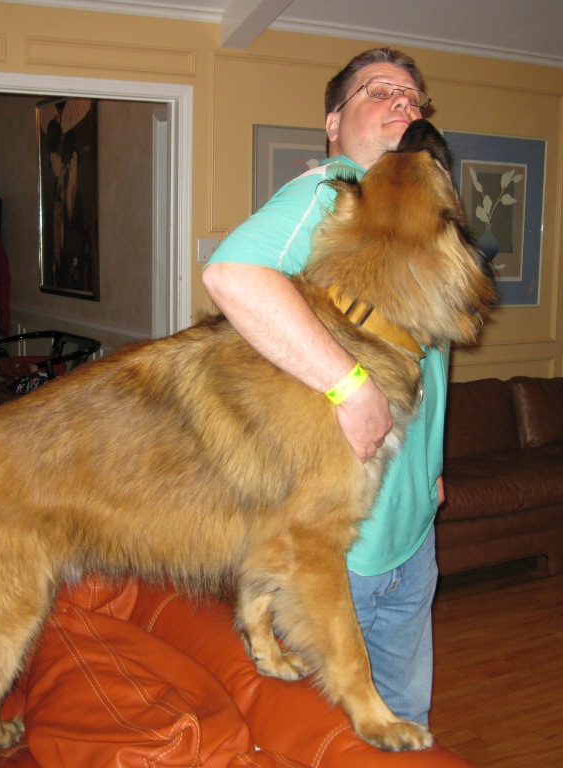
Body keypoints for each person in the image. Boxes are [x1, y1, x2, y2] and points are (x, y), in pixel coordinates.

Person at [202, 47, 443, 726]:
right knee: (331, 731)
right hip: (335, 534)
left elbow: (424, 370)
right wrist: (350, 386)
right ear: (334, 122)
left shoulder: (413, 220)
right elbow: (232, 276)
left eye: (413, 97)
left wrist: (431, 471)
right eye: (380, 92)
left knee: (407, 718)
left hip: (411, 524)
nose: (404, 103)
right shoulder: (335, 189)